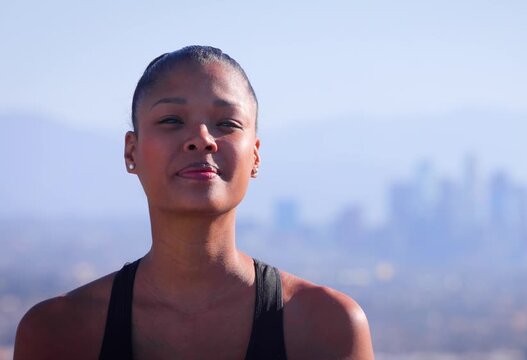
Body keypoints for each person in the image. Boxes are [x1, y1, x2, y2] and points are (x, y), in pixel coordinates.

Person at [14, 46, 374, 359]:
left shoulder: (327, 326)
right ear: (131, 152)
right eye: (171, 120)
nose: (202, 140)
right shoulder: (58, 333)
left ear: (256, 157)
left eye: (227, 123)